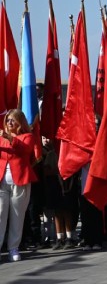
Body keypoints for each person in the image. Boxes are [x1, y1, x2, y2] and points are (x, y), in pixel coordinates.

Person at [0, 109, 38, 262]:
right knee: (0, 214)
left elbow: (25, 150)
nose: (9, 122)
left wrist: (9, 138)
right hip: (2, 182)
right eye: (8, 120)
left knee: (17, 216)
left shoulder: (27, 137)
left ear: (20, 122)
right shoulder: (1, 139)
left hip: (20, 181)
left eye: (12, 120)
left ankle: (13, 248)